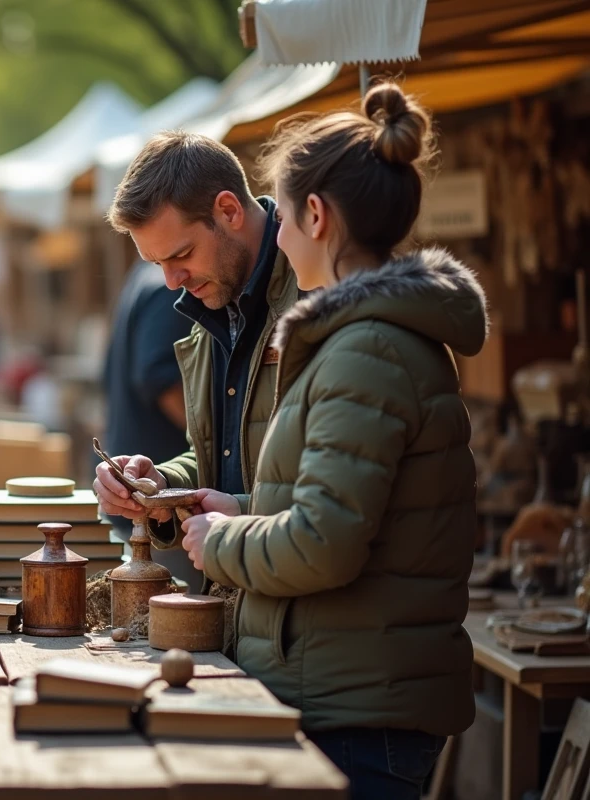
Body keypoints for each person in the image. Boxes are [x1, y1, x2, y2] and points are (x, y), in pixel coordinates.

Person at [179, 84, 485, 797]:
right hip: (350, 695)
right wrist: (236, 504)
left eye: (280, 218)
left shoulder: (366, 350)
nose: (277, 238)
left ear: (315, 216)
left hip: (357, 713)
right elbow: (338, 506)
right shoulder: (362, 341)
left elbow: (324, 542)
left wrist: (219, 541)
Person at [92, 130, 299, 653]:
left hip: (318, 647)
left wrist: (236, 517)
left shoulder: (314, 297)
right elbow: (225, 459)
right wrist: (163, 485)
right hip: (253, 629)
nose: (170, 282)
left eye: (180, 254)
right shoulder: (214, 301)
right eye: (156, 263)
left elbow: (337, 503)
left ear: (228, 209)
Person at [100, 258, 192, 579]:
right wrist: (212, 436)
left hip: (153, 496)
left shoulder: (142, 276)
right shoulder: (168, 287)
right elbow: (159, 376)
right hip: (161, 507)